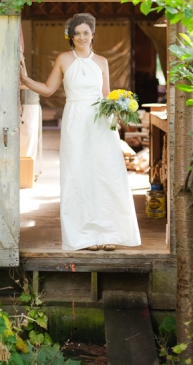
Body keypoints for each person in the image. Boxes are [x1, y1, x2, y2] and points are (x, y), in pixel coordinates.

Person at [20, 13, 141, 251]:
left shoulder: (103, 62)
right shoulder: (64, 59)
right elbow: (47, 89)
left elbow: (107, 96)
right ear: (71, 36)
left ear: (93, 35)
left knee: (106, 175)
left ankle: (108, 234)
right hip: (75, 120)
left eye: (86, 33)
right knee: (78, 175)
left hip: (100, 123)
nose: (82, 37)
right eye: (77, 33)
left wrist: (118, 113)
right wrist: (24, 78)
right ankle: (84, 236)